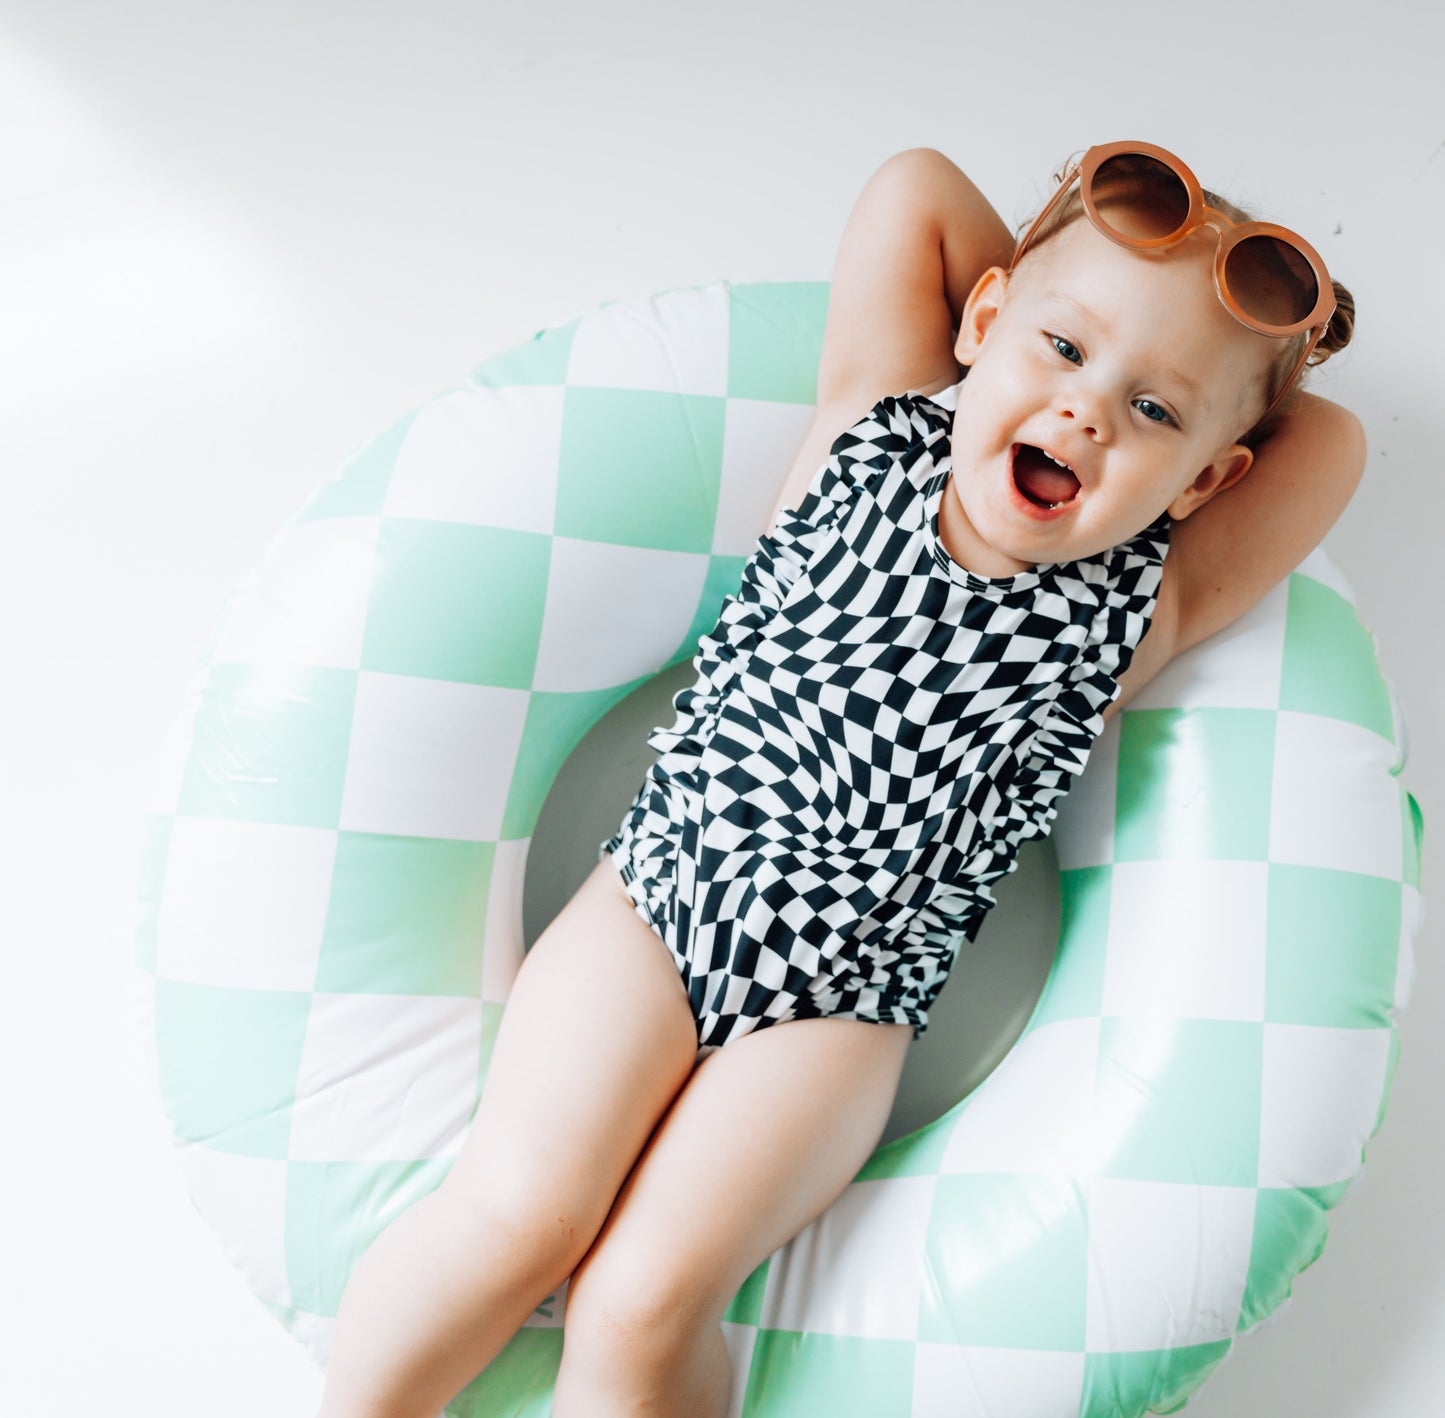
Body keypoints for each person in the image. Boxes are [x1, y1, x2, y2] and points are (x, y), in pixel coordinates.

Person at [315, 142, 1362, 1418]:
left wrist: (1254, 350)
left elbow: (1334, 442)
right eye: (1063, 350)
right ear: (979, 318)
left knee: (641, 1303)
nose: (1087, 412)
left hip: (839, 1013)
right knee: (521, 1208)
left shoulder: (1141, 601)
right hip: (656, 902)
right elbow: (915, 187)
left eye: (1154, 413)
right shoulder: (871, 427)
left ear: (1205, 481)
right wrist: (1102, 292)